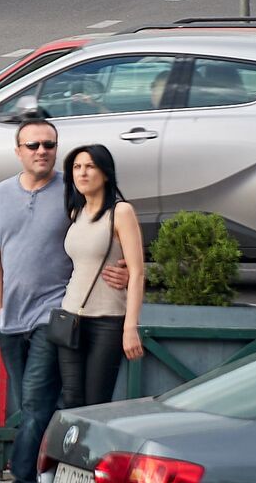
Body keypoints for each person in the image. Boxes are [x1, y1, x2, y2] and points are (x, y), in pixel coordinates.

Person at [0, 113, 128, 483]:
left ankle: (25, 474)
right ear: (18, 151)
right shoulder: (0, 194)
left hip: (56, 315)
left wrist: (123, 267)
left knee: (35, 401)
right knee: (33, 404)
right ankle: (55, 468)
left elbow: (107, 229)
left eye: (49, 144)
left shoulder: (72, 192)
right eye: (34, 145)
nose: (42, 151)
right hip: (10, 319)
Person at [55, 144, 146, 410]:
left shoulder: (120, 212)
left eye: (90, 166)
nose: (82, 173)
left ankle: (93, 453)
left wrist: (130, 327)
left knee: (96, 404)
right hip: (70, 317)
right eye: (76, 167)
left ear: (105, 173)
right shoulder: (76, 213)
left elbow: (138, 272)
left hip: (107, 322)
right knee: (71, 400)